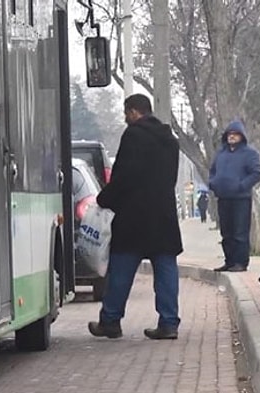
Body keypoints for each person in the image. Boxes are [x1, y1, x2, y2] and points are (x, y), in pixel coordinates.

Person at [88, 94, 183, 340]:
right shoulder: (170, 140)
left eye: (125, 113)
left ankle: (110, 320)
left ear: (133, 112)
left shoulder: (133, 136)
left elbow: (123, 176)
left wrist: (104, 199)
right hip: (163, 214)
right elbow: (170, 179)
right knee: (166, 270)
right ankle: (169, 323)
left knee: (121, 270)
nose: (125, 118)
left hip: (134, 217)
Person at [209, 120, 260, 272]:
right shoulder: (220, 153)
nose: (231, 137)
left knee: (240, 232)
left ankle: (240, 263)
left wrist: (241, 186)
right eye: (229, 134)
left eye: (235, 134)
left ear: (241, 136)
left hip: (241, 200)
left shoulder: (250, 153)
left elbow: (257, 173)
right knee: (226, 232)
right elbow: (212, 171)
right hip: (223, 198)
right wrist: (213, 183)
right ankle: (229, 261)